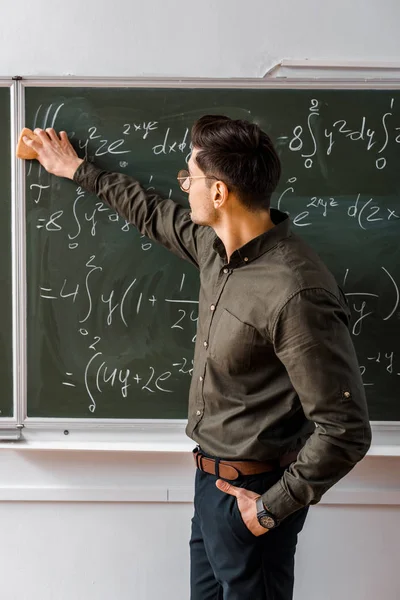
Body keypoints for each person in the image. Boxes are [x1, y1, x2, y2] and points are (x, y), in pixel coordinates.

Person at [23, 116, 371, 600]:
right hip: (210, 488)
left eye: (190, 176)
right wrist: (78, 169)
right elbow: (150, 212)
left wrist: (266, 512)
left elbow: (345, 429)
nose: (183, 186)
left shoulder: (295, 292)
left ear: (221, 193)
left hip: (254, 500)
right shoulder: (214, 246)